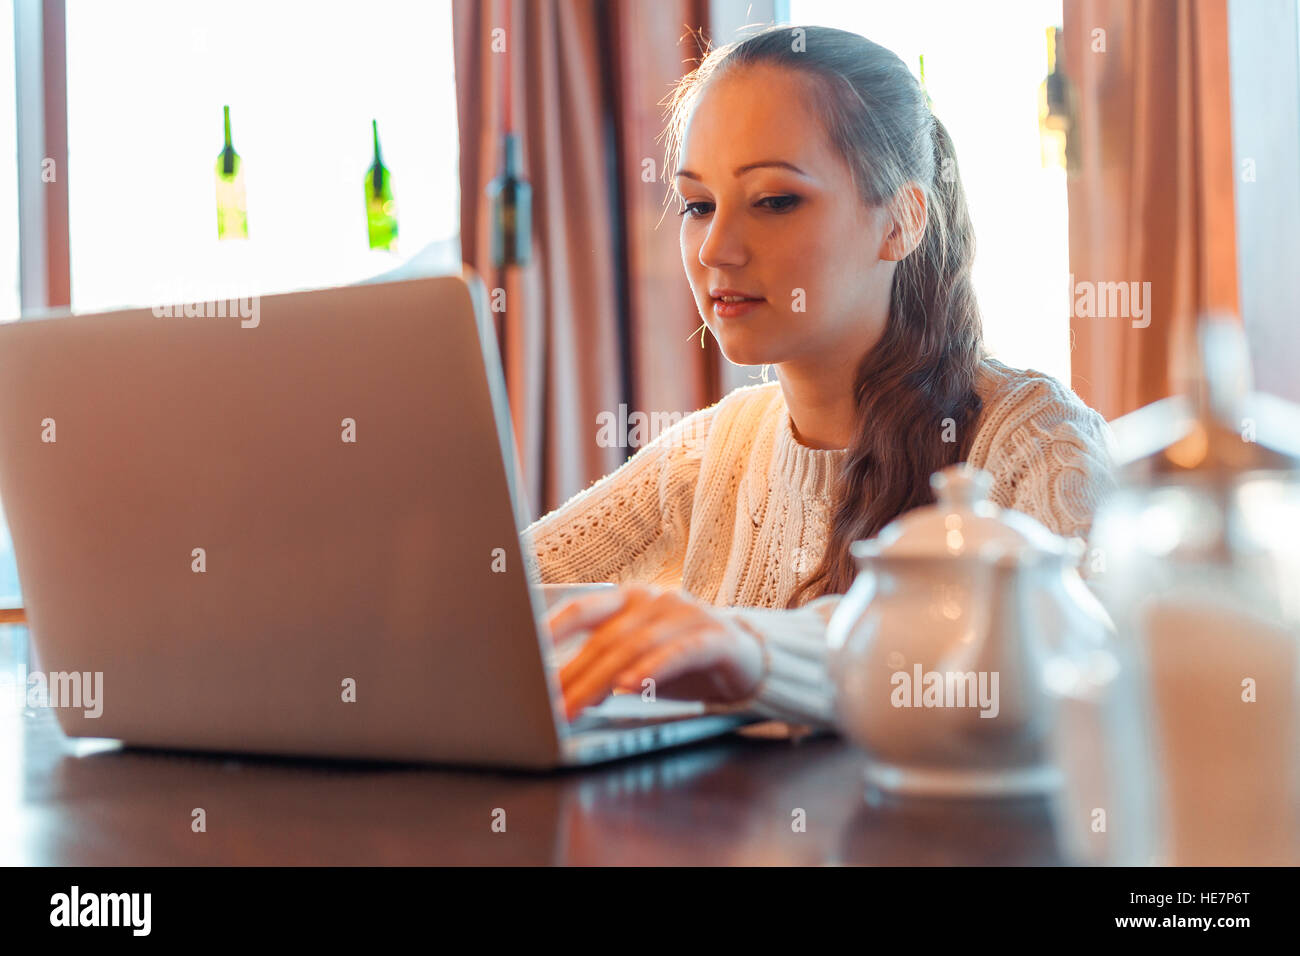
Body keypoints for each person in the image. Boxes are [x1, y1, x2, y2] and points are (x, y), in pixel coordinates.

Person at [521, 25, 1113, 729]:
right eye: (698, 204)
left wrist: (757, 650)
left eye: (774, 200)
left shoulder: (1033, 438)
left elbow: (1079, 670)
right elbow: (494, 597)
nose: (715, 248)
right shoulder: (710, 454)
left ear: (901, 221)